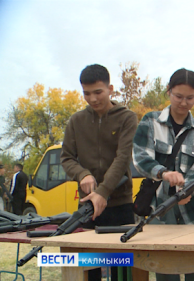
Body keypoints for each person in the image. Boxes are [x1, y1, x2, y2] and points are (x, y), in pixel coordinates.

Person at [133, 68, 194, 281]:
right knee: (166, 270)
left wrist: (186, 189)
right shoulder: (150, 122)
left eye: (190, 97)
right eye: (178, 96)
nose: (184, 103)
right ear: (168, 92)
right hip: (161, 207)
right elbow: (140, 158)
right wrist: (164, 173)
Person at [61, 64, 138, 281]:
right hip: (87, 208)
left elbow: (123, 158)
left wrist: (102, 192)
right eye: (86, 93)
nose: (92, 99)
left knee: (121, 270)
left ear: (110, 88)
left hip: (120, 206)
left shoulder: (127, 118)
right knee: (88, 269)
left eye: (98, 92)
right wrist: (82, 174)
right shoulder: (76, 121)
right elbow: (66, 157)